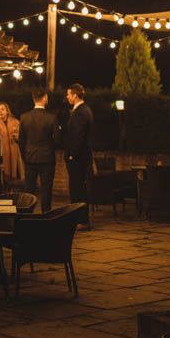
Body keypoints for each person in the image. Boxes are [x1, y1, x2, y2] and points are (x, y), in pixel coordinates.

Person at [19, 87, 60, 212]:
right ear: (45, 98)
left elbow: (21, 140)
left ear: (33, 99)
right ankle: (46, 217)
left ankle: (26, 217)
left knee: (29, 190)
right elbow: (57, 139)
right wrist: (50, 148)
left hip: (30, 157)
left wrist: (25, 154)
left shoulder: (24, 117)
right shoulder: (52, 117)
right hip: (47, 158)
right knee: (46, 190)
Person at [65, 83, 94, 229]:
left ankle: (81, 220)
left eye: (68, 94)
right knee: (79, 188)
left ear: (75, 95)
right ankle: (79, 218)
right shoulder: (84, 110)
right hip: (81, 157)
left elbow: (78, 137)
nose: (67, 97)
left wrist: (72, 155)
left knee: (78, 189)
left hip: (77, 158)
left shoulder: (81, 112)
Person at [0, 102, 24, 188]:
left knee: (15, 177)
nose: (0, 112)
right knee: (4, 177)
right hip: (2, 153)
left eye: (2, 109)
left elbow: (22, 136)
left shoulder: (15, 122)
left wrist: (18, 136)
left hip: (15, 152)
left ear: (7, 111)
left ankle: (14, 192)